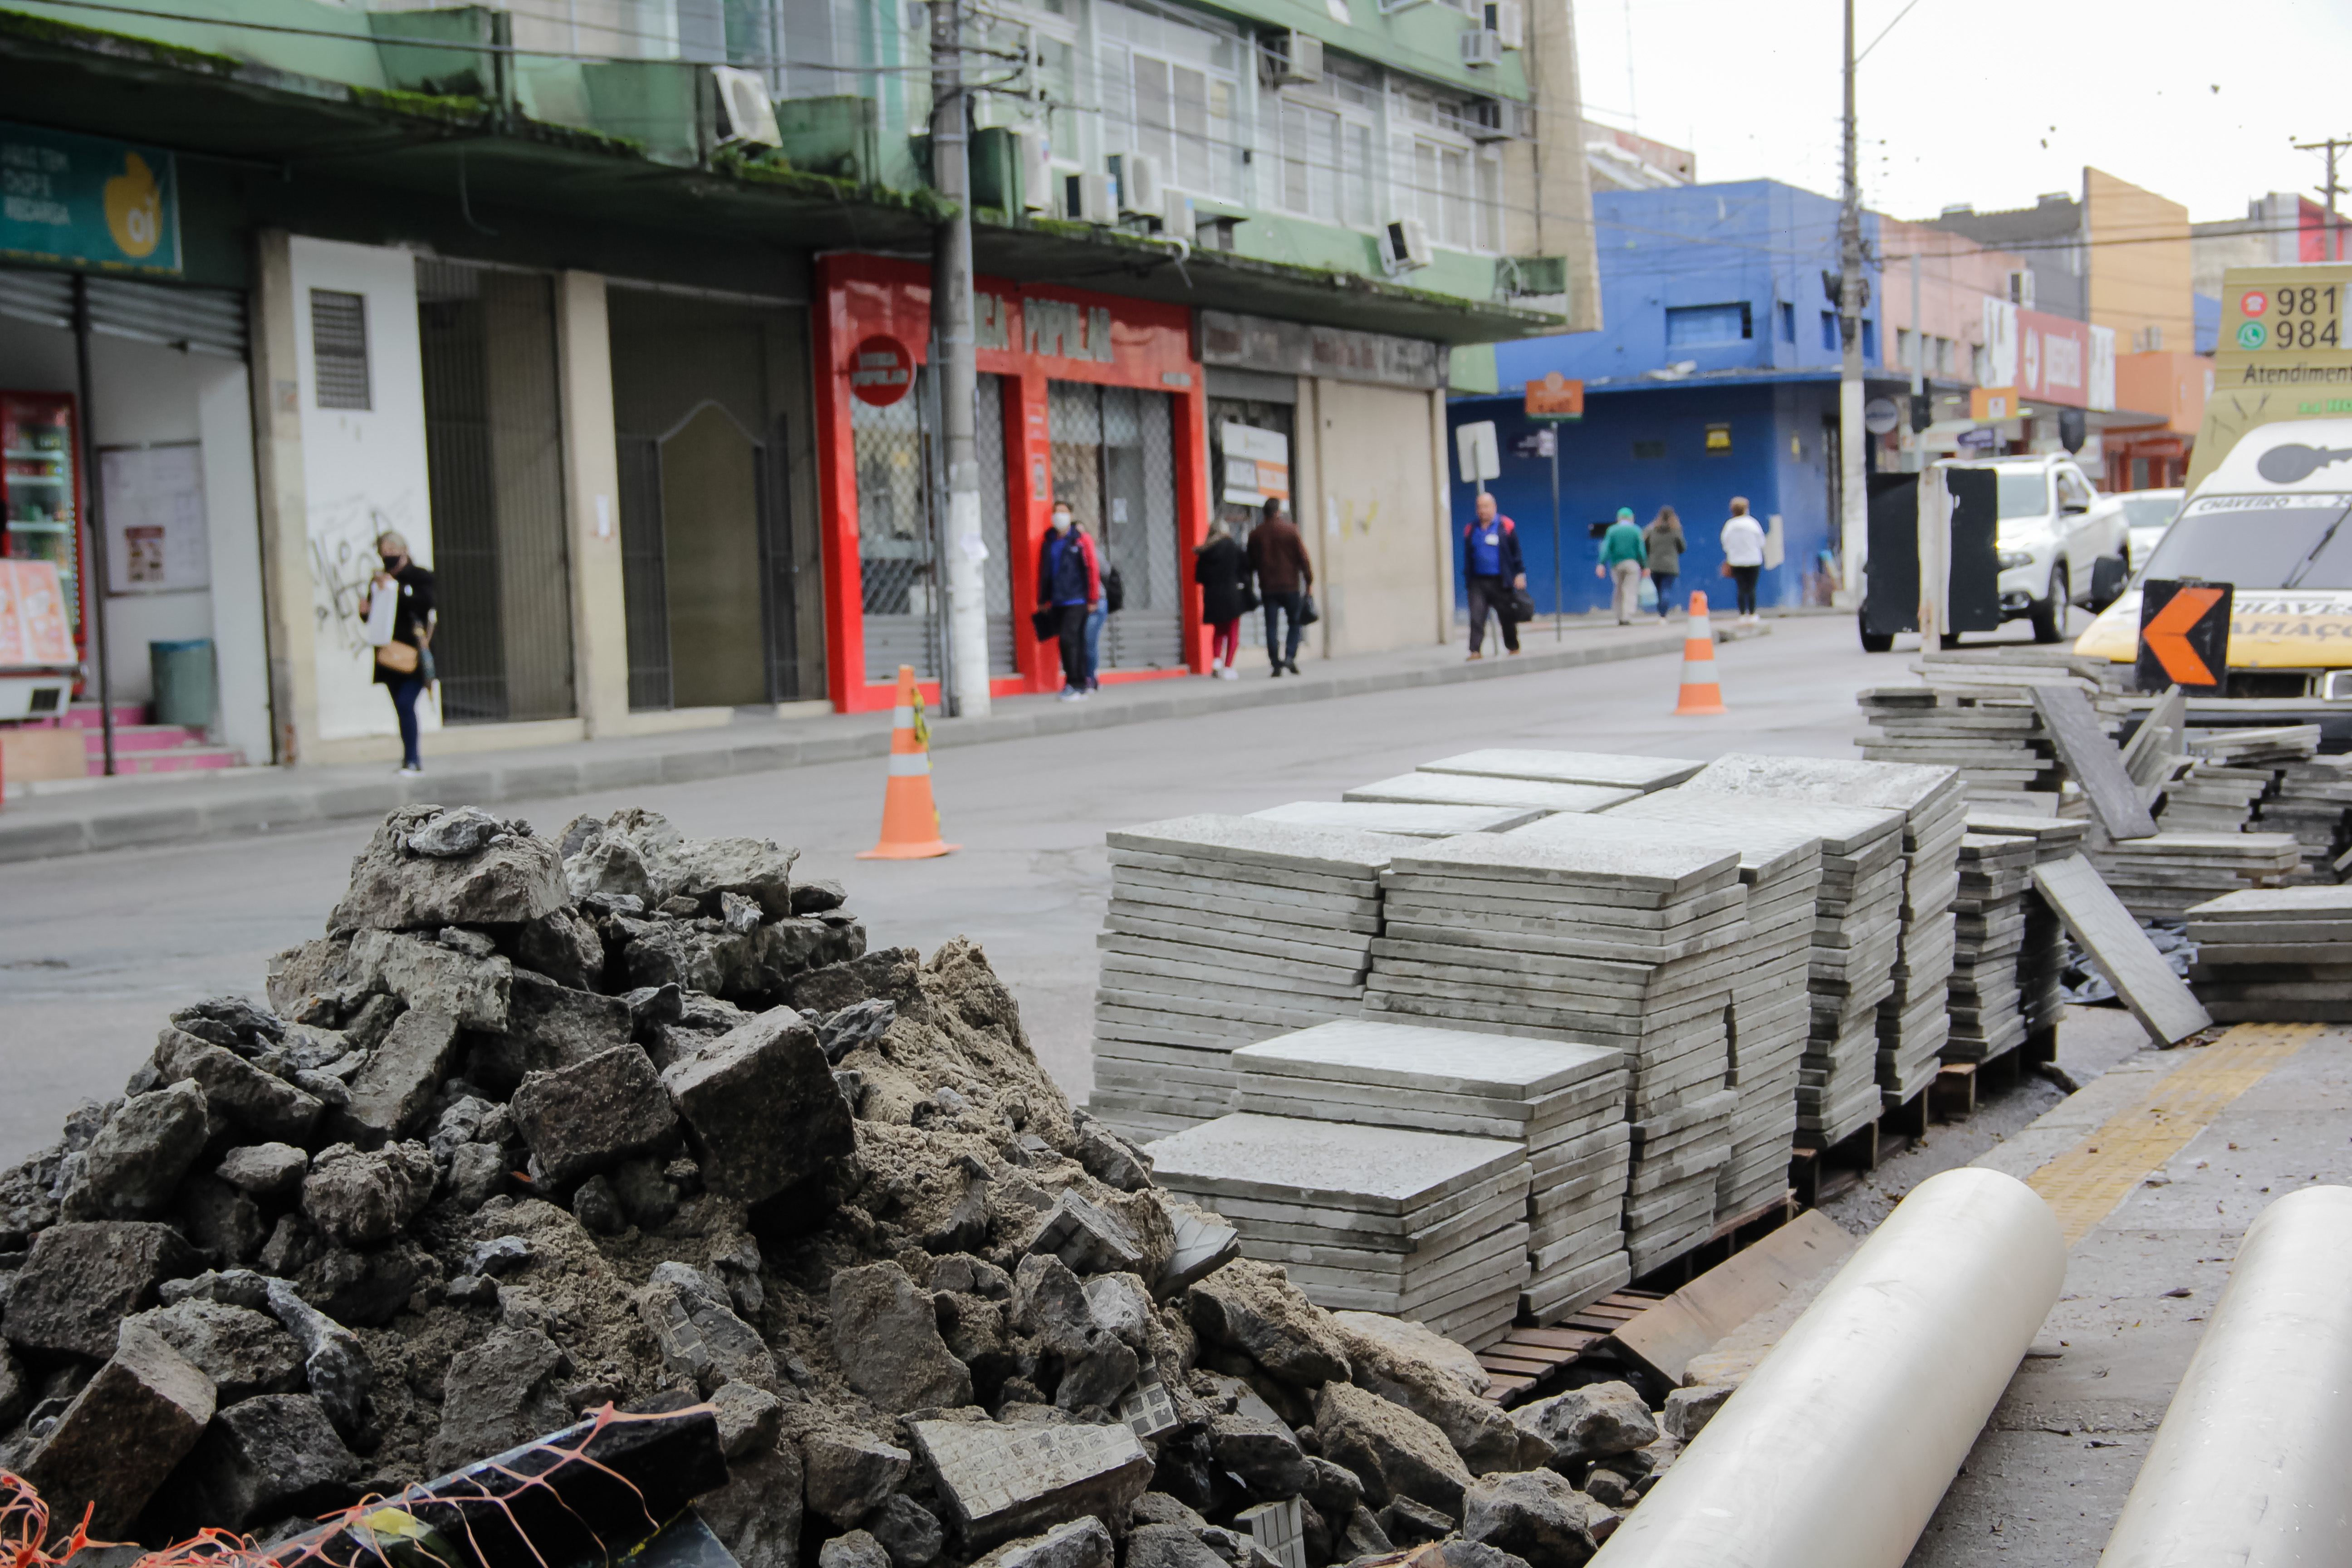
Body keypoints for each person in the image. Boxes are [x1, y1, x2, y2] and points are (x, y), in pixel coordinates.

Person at [363, 530, 435, 777]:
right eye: (384, 553)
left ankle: (414, 760)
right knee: (401, 708)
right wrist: (365, 610)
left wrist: (396, 589)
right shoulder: (378, 581)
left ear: (403, 551)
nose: (388, 556)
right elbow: (373, 617)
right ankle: (408, 759)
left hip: (414, 653)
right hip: (388, 653)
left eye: (392, 551)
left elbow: (425, 604)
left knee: (406, 703)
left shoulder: (420, 577)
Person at [1036, 502, 1100, 699]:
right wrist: (1043, 599)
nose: (1059, 516)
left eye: (1063, 512)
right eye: (1056, 512)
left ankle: (1075, 684)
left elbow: (1092, 568)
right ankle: (1077, 683)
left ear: (1071, 516)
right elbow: (1044, 572)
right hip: (1058, 601)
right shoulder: (1049, 541)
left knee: (1069, 639)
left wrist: (1093, 598)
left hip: (1077, 600)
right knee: (1067, 643)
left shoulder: (1080, 540)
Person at [1245, 498, 1312, 676]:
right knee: (1295, 622)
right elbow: (1303, 558)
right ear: (1278, 512)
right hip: (1290, 586)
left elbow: (1250, 563)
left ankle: (1276, 664)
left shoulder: (1256, 535)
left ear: (1264, 513)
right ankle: (1290, 656)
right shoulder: (1291, 531)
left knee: (1271, 626)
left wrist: (1250, 584)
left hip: (1268, 588)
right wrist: (1309, 581)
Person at [1458, 491, 1527, 660]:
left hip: (1501, 581)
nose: (1483, 510)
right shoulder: (1471, 529)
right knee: (1477, 616)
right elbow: (1468, 555)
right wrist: (1468, 578)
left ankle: (1513, 647)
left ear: (1494, 507)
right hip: (1478, 581)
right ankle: (1475, 651)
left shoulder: (1506, 526)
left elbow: (1516, 552)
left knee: (1507, 616)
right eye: (1480, 507)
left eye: (1486, 506)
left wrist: (1519, 573)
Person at [1194, 519, 1250, 680]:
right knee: (1233, 631)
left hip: (1212, 595)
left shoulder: (1206, 551)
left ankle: (1217, 660)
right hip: (1232, 595)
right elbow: (1245, 569)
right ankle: (1228, 667)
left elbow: (1199, 577)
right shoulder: (1234, 548)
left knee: (1218, 630)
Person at [1597, 506, 1647, 624]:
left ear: (1619, 518)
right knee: (1630, 589)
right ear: (1631, 518)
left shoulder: (1612, 530)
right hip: (1632, 564)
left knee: (1619, 589)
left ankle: (1619, 615)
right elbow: (1641, 550)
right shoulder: (1636, 530)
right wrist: (1645, 566)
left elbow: (1605, 548)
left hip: (1617, 564)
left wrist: (1601, 564)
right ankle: (1627, 616)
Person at [1720, 497, 1767, 624]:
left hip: (1736, 561)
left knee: (1741, 587)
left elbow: (1725, 543)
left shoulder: (1730, 525)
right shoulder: (1753, 524)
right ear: (1746, 509)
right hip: (1753, 560)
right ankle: (1752, 614)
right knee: (1752, 587)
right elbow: (1761, 542)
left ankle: (1742, 614)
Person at [1078, 519, 1109, 691]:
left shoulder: (1093, 552)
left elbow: (1106, 571)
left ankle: (1091, 677)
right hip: (1077, 603)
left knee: (1089, 641)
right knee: (1079, 643)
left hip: (1096, 603)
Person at [1643, 505, 1686, 620]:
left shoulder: (1652, 530)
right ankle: (1663, 615)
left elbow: (1646, 547)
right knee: (1666, 590)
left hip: (1654, 566)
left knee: (1658, 591)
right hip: (1670, 566)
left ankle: (1660, 612)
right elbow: (1682, 548)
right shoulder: (1675, 531)